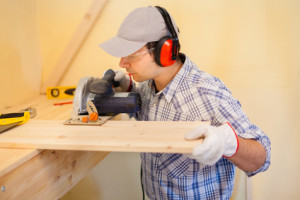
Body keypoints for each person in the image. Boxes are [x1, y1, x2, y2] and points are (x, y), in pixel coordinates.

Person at [99, 6, 271, 199]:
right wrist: (128, 86)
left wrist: (228, 144)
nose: (122, 63)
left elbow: (261, 158)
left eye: (131, 54)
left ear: (164, 51)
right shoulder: (148, 86)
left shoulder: (207, 92)